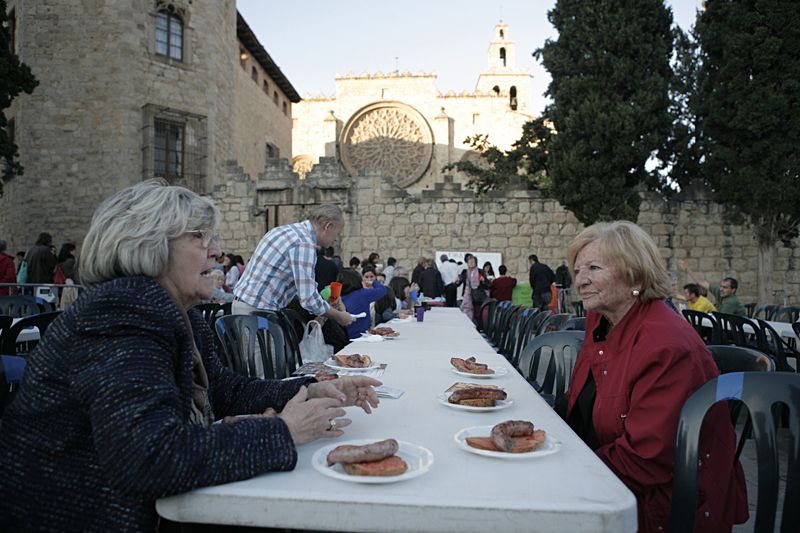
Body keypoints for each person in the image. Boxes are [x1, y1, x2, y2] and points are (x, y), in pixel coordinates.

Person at [0, 180, 382, 531]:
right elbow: (148, 459)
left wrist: (310, 390)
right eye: (200, 237)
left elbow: (224, 390)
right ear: (150, 246)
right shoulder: (121, 316)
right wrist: (283, 431)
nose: (216, 250)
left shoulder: (180, 314)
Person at [561, 221, 747, 532]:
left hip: (663, 505)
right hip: (610, 476)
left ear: (634, 274)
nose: (581, 281)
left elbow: (645, 460)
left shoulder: (665, 345)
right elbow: (580, 406)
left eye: (594, 268)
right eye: (577, 271)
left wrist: (562, 473)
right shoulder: (602, 320)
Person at [233, 205, 354, 328]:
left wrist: (326, 303)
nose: (336, 238)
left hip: (246, 305)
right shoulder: (304, 244)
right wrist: (339, 316)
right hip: (257, 312)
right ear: (327, 226)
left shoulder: (284, 231)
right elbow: (309, 299)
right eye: (337, 233)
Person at [678, 259, 746, 316]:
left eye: (725, 287)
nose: (721, 289)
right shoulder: (719, 291)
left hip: (738, 329)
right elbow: (702, 282)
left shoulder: (731, 302)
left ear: (733, 290)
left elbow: (721, 320)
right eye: (721, 286)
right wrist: (687, 269)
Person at [339, 268, 387, 338]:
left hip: (342, 337)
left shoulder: (337, 296)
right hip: (360, 336)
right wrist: (373, 282)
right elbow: (383, 290)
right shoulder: (363, 294)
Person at [457, 254, 486, 323]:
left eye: (472, 262)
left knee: (477, 316)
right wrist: (457, 281)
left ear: (476, 263)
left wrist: (483, 280)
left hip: (477, 297)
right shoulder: (464, 272)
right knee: (467, 312)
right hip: (467, 295)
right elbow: (458, 284)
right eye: (469, 262)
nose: (471, 263)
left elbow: (488, 285)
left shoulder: (480, 271)